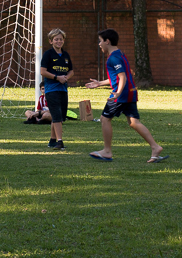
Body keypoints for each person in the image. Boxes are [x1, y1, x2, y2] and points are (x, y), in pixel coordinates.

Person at [85, 29, 167, 163]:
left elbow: (122, 77)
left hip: (121, 94)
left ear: (107, 41)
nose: (99, 44)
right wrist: (99, 83)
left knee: (104, 119)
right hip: (130, 92)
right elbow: (120, 76)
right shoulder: (120, 54)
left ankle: (107, 151)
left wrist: (117, 92)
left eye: (100, 41)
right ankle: (155, 147)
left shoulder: (114, 58)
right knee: (134, 122)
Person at [40, 28, 74, 150]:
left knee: (59, 116)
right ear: (51, 41)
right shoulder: (48, 54)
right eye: (56, 39)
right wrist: (56, 77)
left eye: (61, 39)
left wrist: (66, 77)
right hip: (51, 89)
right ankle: (60, 141)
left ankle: (52, 140)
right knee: (57, 116)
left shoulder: (66, 55)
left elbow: (71, 71)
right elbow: (42, 71)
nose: (59, 41)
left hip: (63, 89)